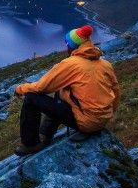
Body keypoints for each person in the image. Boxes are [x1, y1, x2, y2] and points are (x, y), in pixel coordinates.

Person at [13, 24, 120, 156]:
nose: (66, 47)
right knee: (61, 91)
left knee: (31, 98)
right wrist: (104, 117)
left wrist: (20, 89)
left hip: (86, 122)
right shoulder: (105, 64)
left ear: (73, 46)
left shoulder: (71, 63)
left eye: (67, 44)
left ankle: (30, 144)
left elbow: (42, 87)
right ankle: (45, 134)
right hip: (102, 120)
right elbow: (116, 91)